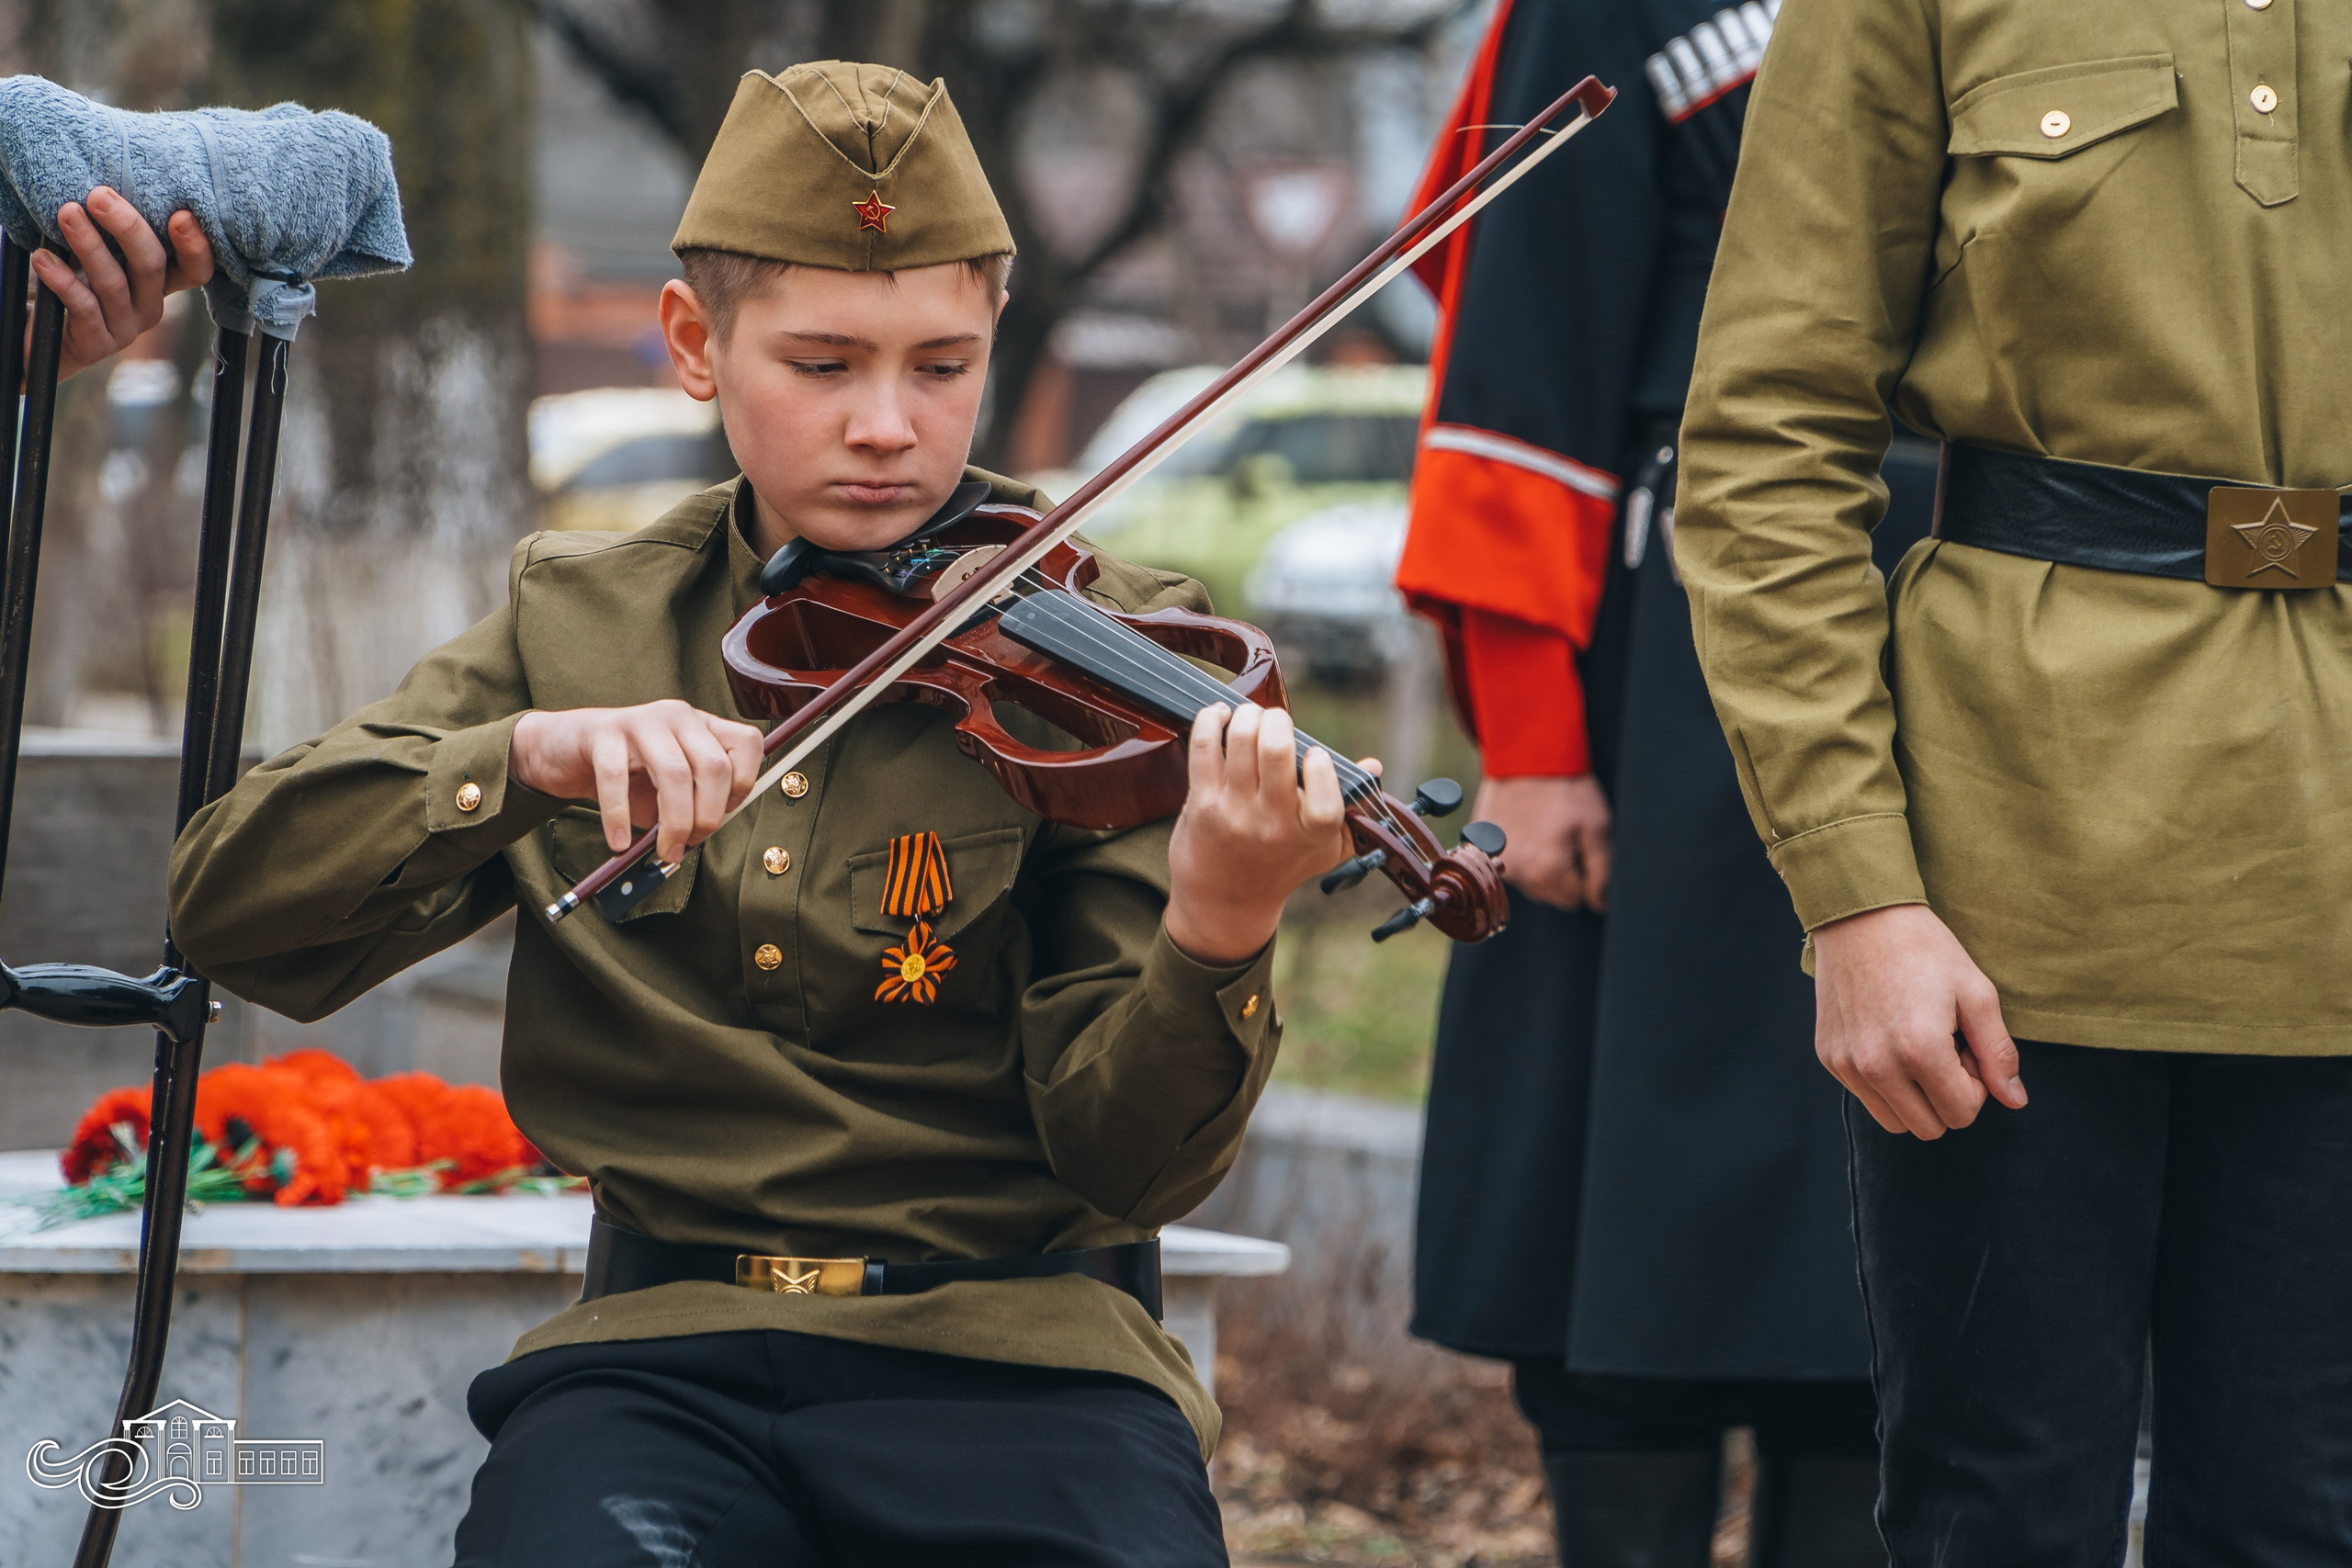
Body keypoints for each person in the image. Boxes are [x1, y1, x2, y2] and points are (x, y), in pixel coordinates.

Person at [168, 62, 1351, 1566]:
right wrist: (521, 758)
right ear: (694, 344)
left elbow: (1129, 1165)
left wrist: (1223, 924)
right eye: (822, 363)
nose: (887, 426)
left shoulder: (1109, 654)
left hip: (1024, 1358)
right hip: (658, 1359)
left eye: (942, 366)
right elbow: (229, 911)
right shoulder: (582, 622)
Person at [1675, 2, 2352, 1562]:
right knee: (2000, 1513)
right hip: (2009, 882)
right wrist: (1859, 892)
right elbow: (1769, 441)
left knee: (2309, 1519)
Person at [1397, 4, 1931, 1562]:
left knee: (1883, 1270)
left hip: (1960, 650)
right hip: (1659, 672)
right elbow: (1518, 347)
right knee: (1623, 1253)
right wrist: (1532, 745)